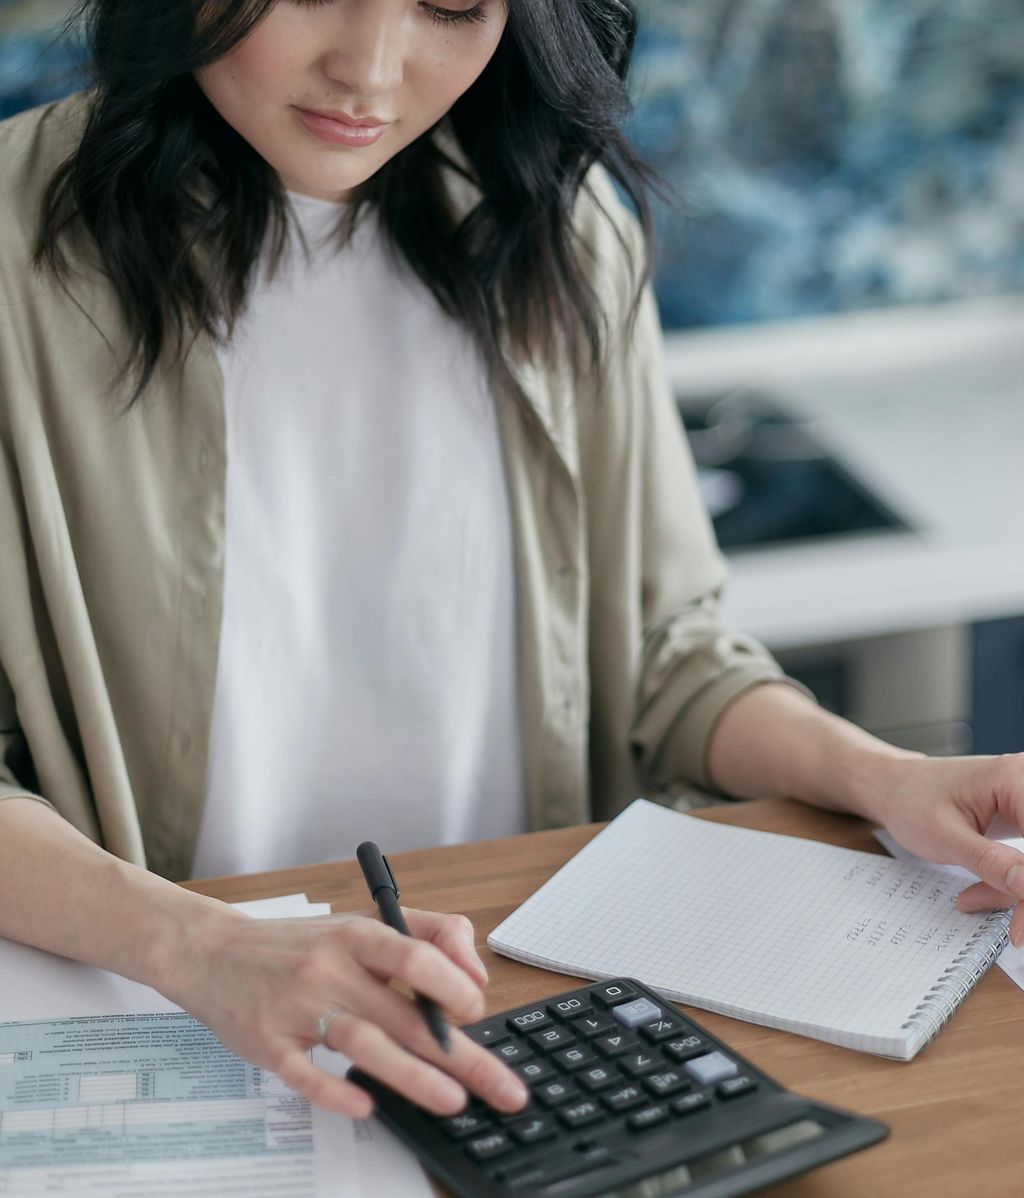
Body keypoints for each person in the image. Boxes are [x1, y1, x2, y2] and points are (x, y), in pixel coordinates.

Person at [1, 0, 1022, 1127]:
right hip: (167, 1020)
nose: (370, 70)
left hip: (500, 1011)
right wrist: (201, 946)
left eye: (451, 5)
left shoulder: (563, 229)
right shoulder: (12, 251)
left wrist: (891, 780)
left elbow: (662, 657)